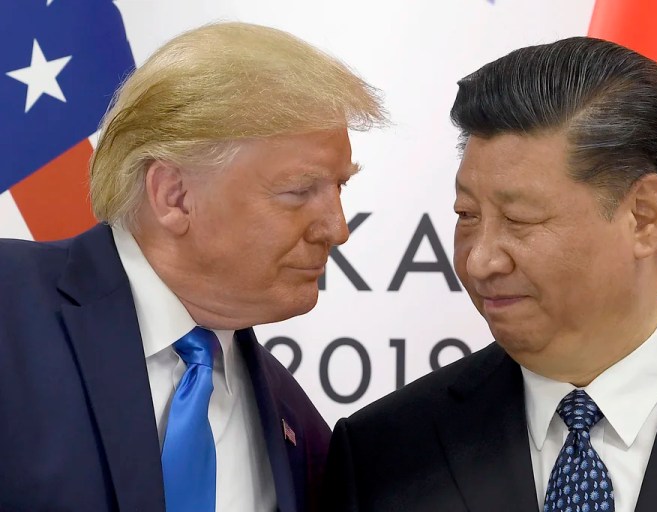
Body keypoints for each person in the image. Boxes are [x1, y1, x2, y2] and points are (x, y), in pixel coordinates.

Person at [321, 36, 657, 512]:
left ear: (644, 216)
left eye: (520, 220)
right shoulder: (385, 451)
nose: (480, 261)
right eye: (467, 215)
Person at [0, 22, 384, 512]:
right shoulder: (8, 310)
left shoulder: (299, 426)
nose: (336, 228)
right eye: (299, 191)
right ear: (173, 195)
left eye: (339, 188)